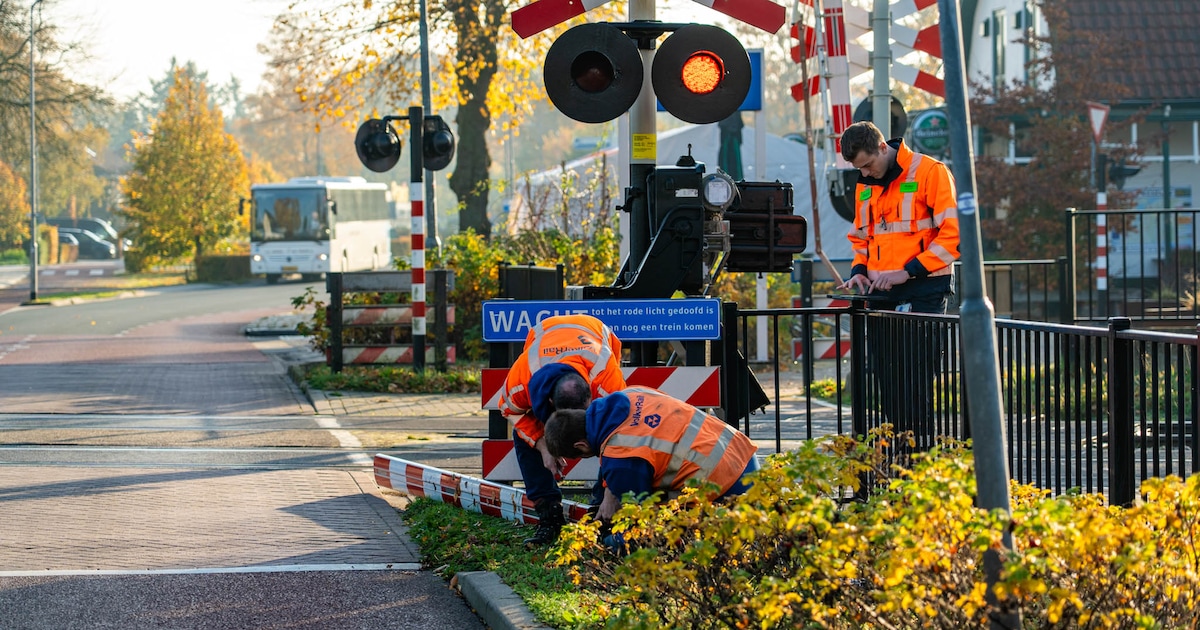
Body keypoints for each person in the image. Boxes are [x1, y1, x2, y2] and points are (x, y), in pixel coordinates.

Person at [835, 120, 961, 450]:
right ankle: (897, 449)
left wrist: (909, 271)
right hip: (880, 290)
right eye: (858, 169)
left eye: (868, 165)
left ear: (882, 148)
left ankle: (919, 450)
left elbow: (954, 235)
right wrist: (860, 270)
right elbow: (861, 236)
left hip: (924, 286)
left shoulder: (930, 172)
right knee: (886, 375)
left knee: (916, 374)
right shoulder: (866, 183)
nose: (866, 173)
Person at [542, 386, 760, 523]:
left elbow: (641, 517)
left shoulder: (619, 458)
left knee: (627, 535)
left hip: (726, 485)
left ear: (581, 445)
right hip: (741, 452)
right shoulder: (631, 393)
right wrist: (610, 491)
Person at [498, 314, 626, 545]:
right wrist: (542, 444)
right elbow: (512, 412)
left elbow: (618, 437)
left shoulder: (607, 381)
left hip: (596, 333)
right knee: (523, 436)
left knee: (609, 440)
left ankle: (599, 516)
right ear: (550, 404)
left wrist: (610, 493)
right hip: (544, 336)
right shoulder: (521, 380)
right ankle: (549, 516)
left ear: (591, 397)